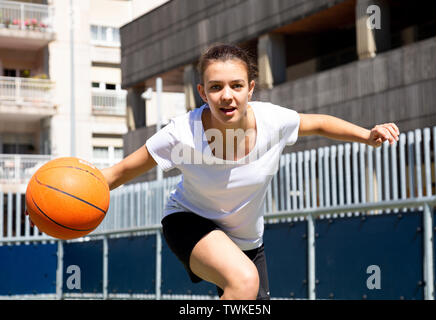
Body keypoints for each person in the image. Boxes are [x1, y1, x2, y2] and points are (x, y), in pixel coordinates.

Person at [27, 44, 400, 300]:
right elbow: (116, 173)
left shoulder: (273, 120)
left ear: (250, 88)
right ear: (202, 92)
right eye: (217, 87)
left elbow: (317, 123)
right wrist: (53, 201)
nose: (228, 95)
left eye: (237, 86)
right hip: (190, 220)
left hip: (248, 240)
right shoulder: (180, 133)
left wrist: (366, 135)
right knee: (243, 280)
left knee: (247, 289)